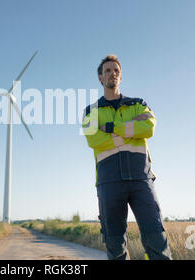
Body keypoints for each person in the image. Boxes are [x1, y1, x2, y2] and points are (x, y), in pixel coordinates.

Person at [82, 54, 172, 260]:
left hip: (141, 179)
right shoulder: (90, 112)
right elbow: (94, 140)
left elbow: (149, 127)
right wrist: (132, 132)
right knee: (115, 244)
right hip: (109, 182)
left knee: (156, 237)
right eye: (107, 71)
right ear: (100, 78)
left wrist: (112, 129)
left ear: (120, 77)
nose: (112, 73)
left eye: (116, 71)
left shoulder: (138, 104)